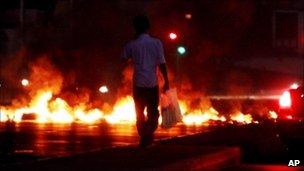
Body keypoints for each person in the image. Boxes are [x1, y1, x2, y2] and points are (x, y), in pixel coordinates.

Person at [121, 15, 169, 147]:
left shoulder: (132, 44)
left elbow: (123, 57)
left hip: (138, 84)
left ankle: (144, 136)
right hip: (152, 84)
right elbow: (162, 64)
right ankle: (147, 135)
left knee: (139, 113)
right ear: (148, 28)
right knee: (153, 112)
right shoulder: (156, 43)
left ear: (135, 28)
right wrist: (167, 83)